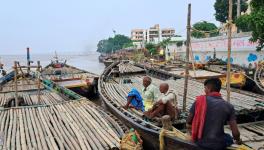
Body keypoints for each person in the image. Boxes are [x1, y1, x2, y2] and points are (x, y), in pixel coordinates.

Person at [186, 78, 242, 150]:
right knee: (228, 137)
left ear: (208, 89)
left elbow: (188, 121)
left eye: (205, 88)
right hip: (219, 144)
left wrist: (191, 134)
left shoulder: (199, 101)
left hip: (200, 142)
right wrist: (238, 140)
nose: (204, 90)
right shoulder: (229, 106)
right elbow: (236, 133)